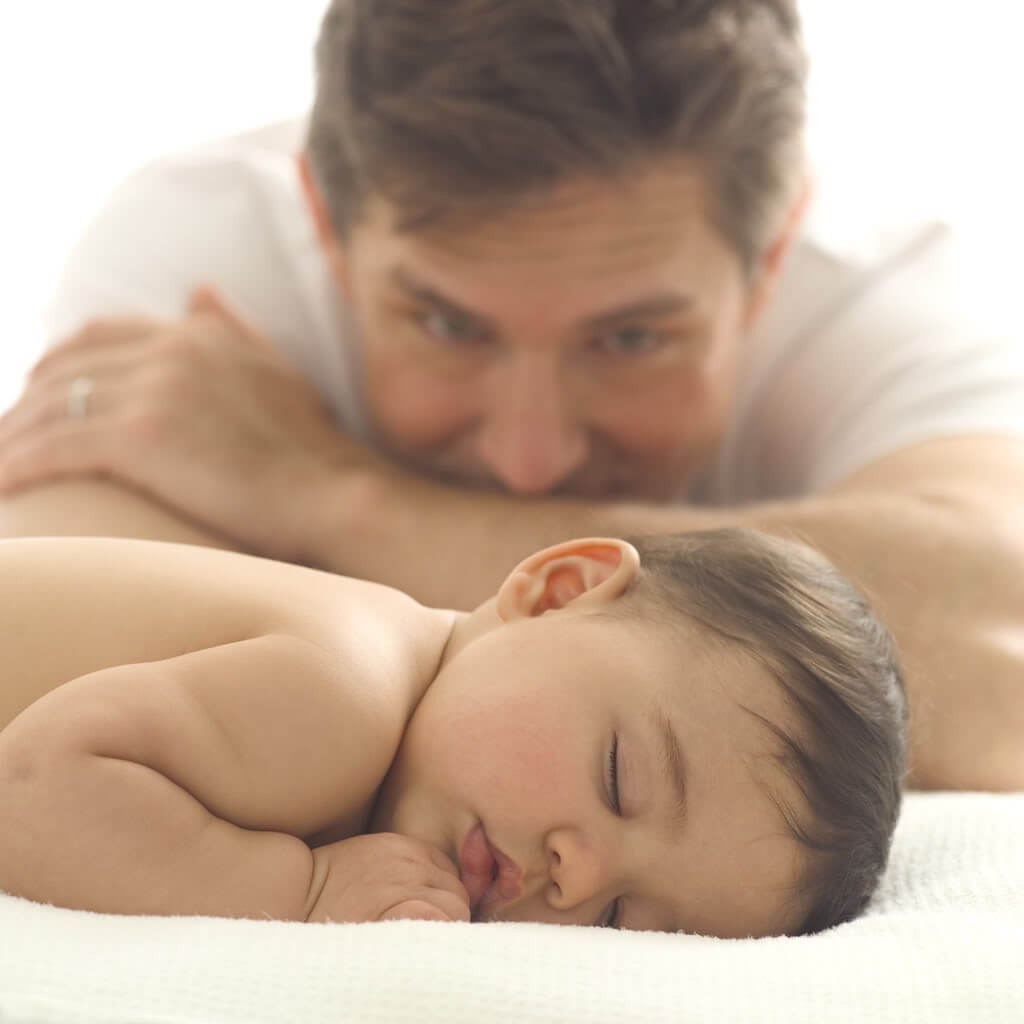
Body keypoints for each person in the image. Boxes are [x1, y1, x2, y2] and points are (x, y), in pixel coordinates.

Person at [0, 0, 1020, 792]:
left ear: (771, 264)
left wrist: (332, 496)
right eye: (448, 326)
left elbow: (1000, 680)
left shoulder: (879, 300)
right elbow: (41, 668)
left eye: (629, 339)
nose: (528, 456)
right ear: (327, 228)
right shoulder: (208, 243)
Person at [0, 527, 907, 937]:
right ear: (557, 592)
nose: (578, 875)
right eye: (620, 776)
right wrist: (301, 889)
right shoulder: (341, 690)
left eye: (624, 919)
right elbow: (38, 785)